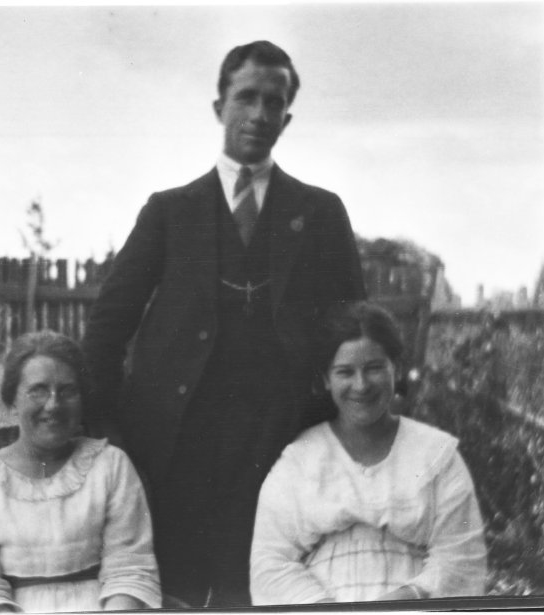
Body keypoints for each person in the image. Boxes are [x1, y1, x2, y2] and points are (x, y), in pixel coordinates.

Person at [81, 40, 366, 606]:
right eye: (246, 97)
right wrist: (106, 425)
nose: (259, 115)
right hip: (172, 443)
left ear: (287, 116)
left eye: (273, 102)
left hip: (277, 445)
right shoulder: (170, 211)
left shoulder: (321, 212)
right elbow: (109, 323)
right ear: (219, 107)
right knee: (173, 591)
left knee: (255, 591)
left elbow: (353, 329)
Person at [250, 301, 488, 604]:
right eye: (345, 372)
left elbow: (461, 556)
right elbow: (270, 563)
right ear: (326, 379)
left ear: (397, 369)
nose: (360, 385)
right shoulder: (299, 460)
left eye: (374, 368)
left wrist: (405, 599)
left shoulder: (437, 455)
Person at [0, 330, 161, 613]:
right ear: (13, 399)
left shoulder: (110, 465)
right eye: (38, 390)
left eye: (68, 391)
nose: (53, 405)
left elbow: (130, 569)